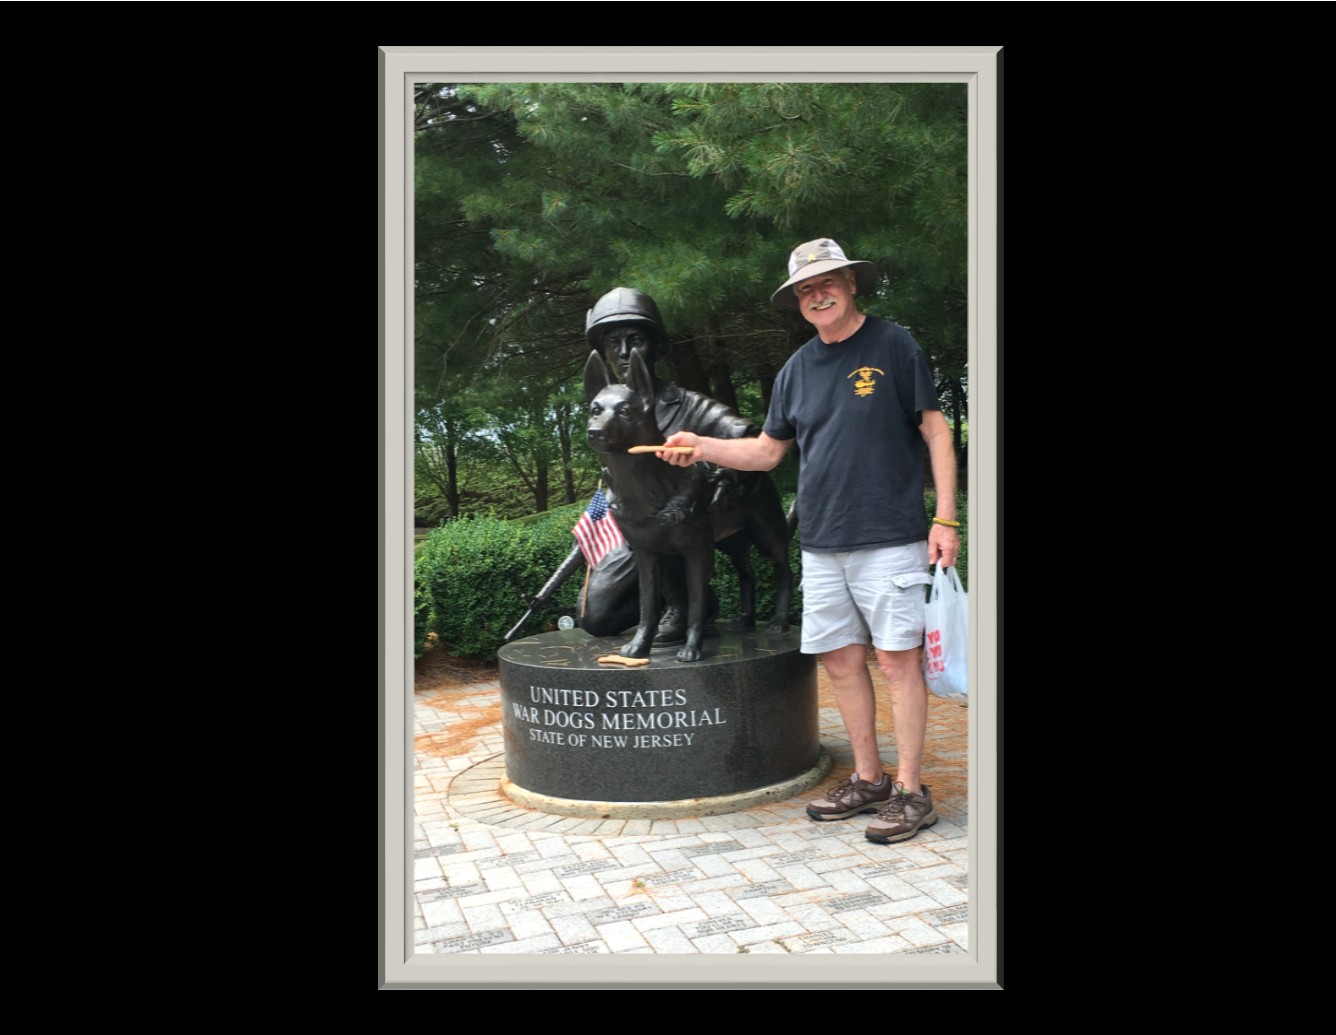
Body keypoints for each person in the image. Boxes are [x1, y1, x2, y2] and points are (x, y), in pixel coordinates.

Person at [657, 238, 960, 844]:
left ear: (850, 284)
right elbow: (767, 453)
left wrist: (946, 519)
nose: (817, 295)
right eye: (805, 289)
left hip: (889, 535)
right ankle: (869, 778)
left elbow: (936, 431)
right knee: (840, 661)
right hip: (821, 542)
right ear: (797, 301)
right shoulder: (796, 369)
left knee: (897, 662)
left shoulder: (894, 344)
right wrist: (702, 445)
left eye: (826, 283)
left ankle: (911, 791)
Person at [556, 287, 762, 641]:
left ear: (658, 346)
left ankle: (686, 606)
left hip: (680, 522)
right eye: (613, 343)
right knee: (596, 618)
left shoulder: (692, 406)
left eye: (635, 340)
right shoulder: (603, 409)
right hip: (634, 526)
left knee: (671, 533)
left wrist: (718, 478)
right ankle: (676, 602)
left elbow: (753, 443)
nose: (624, 352)